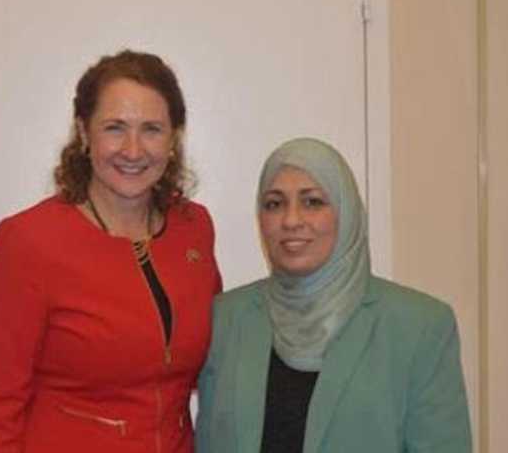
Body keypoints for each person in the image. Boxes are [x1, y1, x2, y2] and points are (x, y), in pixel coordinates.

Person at [0, 50, 222, 452]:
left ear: (174, 138)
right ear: (84, 133)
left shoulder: (194, 229)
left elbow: (211, 362)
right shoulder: (29, 241)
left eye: (152, 129)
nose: (134, 149)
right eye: (115, 128)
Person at [196, 138, 471, 452]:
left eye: (312, 201)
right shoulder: (225, 319)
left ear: (347, 211)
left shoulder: (420, 327)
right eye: (274, 203)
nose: (291, 220)